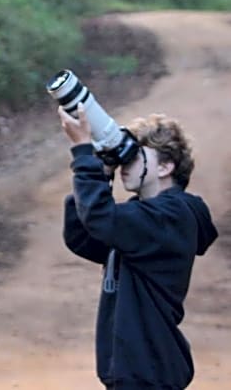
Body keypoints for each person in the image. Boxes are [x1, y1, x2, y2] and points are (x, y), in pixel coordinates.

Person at [58, 103, 218, 390]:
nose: (124, 166)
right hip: (134, 372)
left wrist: (83, 153)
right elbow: (82, 236)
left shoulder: (172, 216)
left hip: (150, 372)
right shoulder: (143, 218)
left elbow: (101, 218)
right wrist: (103, 168)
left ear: (166, 166)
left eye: (133, 158)